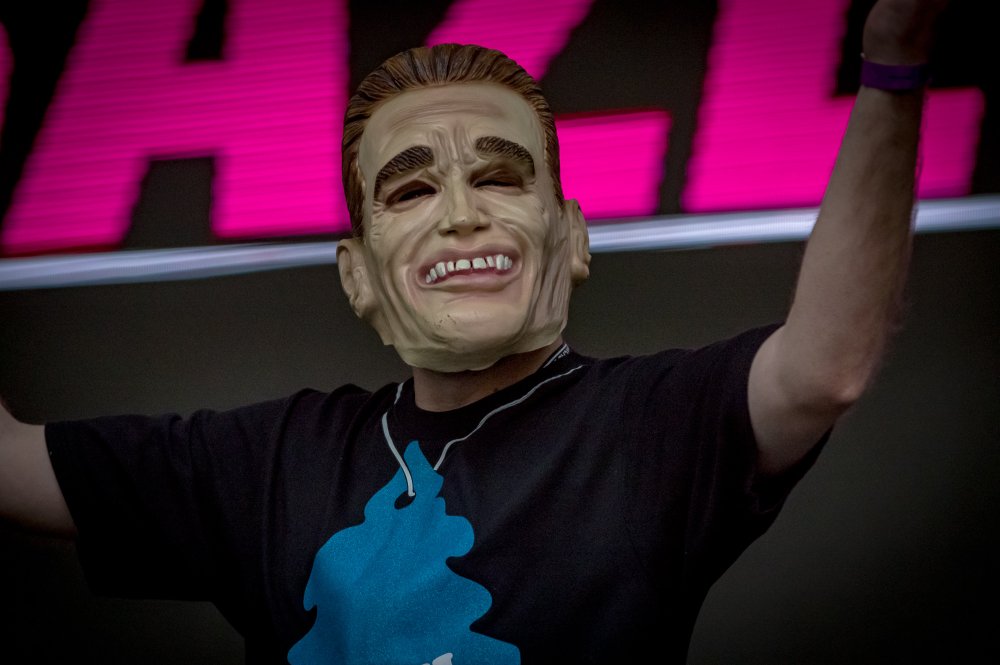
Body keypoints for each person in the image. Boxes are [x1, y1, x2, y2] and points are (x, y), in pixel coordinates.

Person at [0, 0, 943, 662]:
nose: (461, 214)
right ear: (358, 274)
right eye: (411, 190)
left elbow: (823, 368)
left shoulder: (648, 426)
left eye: (498, 177)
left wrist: (892, 64)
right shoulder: (269, 461)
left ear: (572, 237)